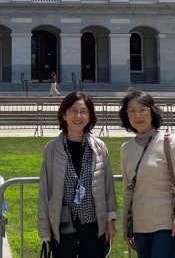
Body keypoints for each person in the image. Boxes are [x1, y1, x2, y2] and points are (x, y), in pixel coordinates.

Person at [37, 92, 117, 257]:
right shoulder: (52, 149)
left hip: (93, 225)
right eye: (73, 111)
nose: (78, 116)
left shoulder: (99, 148)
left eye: (83, 112)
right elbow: (45, 192)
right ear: (64, 115)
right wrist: (45, 231)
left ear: (90, 116)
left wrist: (110, 220)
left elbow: (108, 187)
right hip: (63, 225)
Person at [119, 90, 175, 257]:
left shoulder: (169, 141)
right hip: (140, 227)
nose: (138, 115)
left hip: (167, 225)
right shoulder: (126, 149)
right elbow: (128, 191)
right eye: (132, 111)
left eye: (142, 109)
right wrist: (126, 227)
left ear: (152, 111)